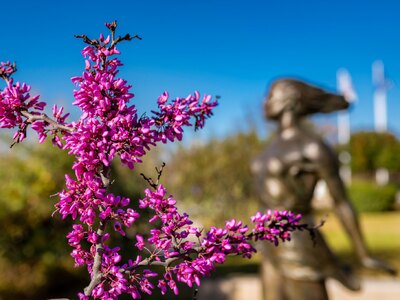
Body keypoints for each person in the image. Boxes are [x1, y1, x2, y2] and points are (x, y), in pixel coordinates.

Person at [251, 79, 396, 300]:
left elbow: (341, 202)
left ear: (291, 100)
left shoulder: (312, 147)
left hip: (297, 244)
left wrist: (363, 253)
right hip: (269, 245)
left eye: (271, 95)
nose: (264, 102)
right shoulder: (270, 147)